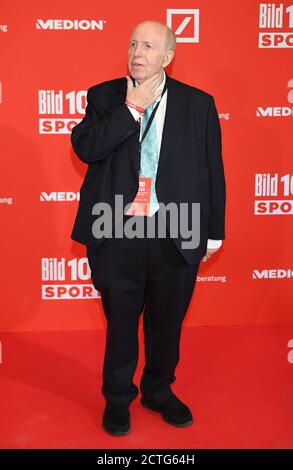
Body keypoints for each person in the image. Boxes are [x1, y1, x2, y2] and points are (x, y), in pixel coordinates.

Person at [70, 20, 226, 436]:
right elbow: (86, 147)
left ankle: (158, 390)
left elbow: (213, 170)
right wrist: (132, 108)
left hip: (177, 228)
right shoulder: (104, 96)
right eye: (133, 44)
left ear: (168, 57)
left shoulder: (198, 104)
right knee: (121, 322)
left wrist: (213, 230)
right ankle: (118, 398)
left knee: (167, 321)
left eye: (149, 46)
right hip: (118, 230)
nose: (138, 53)